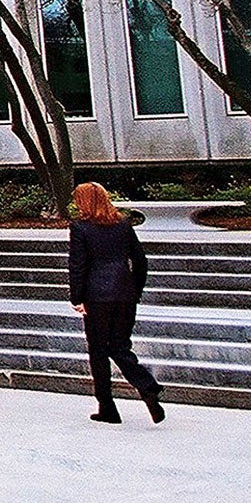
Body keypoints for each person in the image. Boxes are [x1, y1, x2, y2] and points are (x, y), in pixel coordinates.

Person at [69, 181, 165, 425]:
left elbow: (78, 265)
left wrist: (77, 297)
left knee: (98, 352)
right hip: (124, 293)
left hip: (96, 296)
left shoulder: (80, 227)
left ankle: (107, 406)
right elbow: (141, 261)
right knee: (120, 346)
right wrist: (135, 289)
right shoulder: (123, 225)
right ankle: (146, 387)